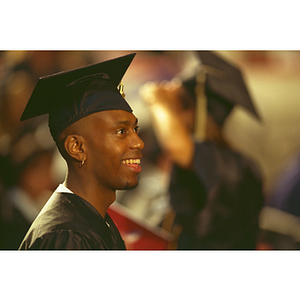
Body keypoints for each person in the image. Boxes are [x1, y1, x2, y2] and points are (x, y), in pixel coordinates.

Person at [18, 53, 144, 250]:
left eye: (135, 130)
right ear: (77, 148)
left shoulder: (93, 221)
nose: (138, 143)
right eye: (121, 131)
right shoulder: (67, 235)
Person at [141, 51, 265, 249]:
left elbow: (177, 147)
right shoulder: (234, 161)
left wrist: (158, 99)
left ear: (194, 113)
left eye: (178, 106)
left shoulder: (225, 163)